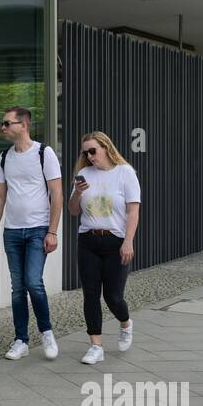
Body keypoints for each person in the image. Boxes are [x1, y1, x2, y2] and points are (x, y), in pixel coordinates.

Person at [0, 107, 63, 361]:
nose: (3, 128)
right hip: (12, 231)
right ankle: (21, 339)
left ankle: (47, 332)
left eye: (7, 123)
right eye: (3, 123)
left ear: (24, 125)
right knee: (18, 288)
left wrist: (52, 231)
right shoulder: (4, 157)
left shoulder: (44, 153)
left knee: (33, 282)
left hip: (37, 229)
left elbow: (57, 194)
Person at [67, 131, 140, 365]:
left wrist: (128, 241)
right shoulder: (83, 174)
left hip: (115, 242)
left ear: (106, 148)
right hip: (88, 240)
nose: (89, 156)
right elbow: (73, 210)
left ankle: (126, 323)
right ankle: (95, 346)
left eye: (93, 151)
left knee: (113, 297)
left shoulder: (125, 173)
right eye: (85, 152)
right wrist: (77, 193)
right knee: (90, 294)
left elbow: (133, 211)